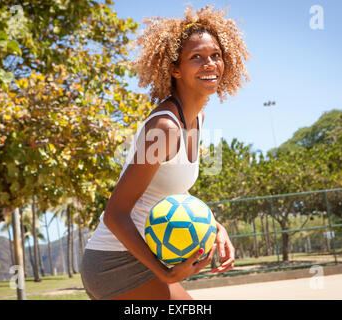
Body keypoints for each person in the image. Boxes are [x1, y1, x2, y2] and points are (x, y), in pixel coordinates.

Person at [81, 5, 250, 300]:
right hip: (114, 263)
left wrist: (215, 226)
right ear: (175, 68)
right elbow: (115, 214)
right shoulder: (164, 128)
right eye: (195, 57)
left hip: (147, 257)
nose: (209, 63)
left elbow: (173, 193)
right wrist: (165, 273)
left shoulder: (197, 120)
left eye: (215, 55)